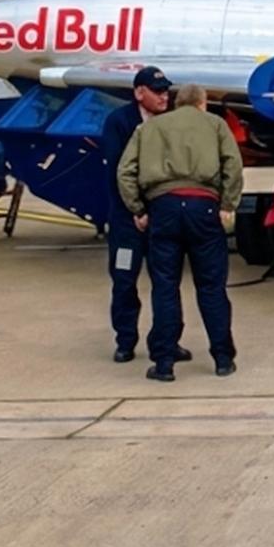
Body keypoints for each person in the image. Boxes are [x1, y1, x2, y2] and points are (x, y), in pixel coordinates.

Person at [116, 82, 244, 380]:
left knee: (165, 286)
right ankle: (223, 358)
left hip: (164, 209)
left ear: (176, 103)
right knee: (212, 287)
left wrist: (138, 209)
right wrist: (228, 203)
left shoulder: (149, 129)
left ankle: (164, 362)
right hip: (204, 208)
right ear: (203, 103)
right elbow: (233, 165)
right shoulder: (215, 125)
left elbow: (125, 171)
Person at [97, 66, 186, 364]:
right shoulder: (119, 122)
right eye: (157, 91)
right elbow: (115, 174)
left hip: (162, 216)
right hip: (127, 219)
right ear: (139, 93)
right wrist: (135, 210)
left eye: (166, 91)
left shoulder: (171, 121)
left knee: (166, 281)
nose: (164, 96)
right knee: (124, 279)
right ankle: (125, 340)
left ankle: (166, 340)